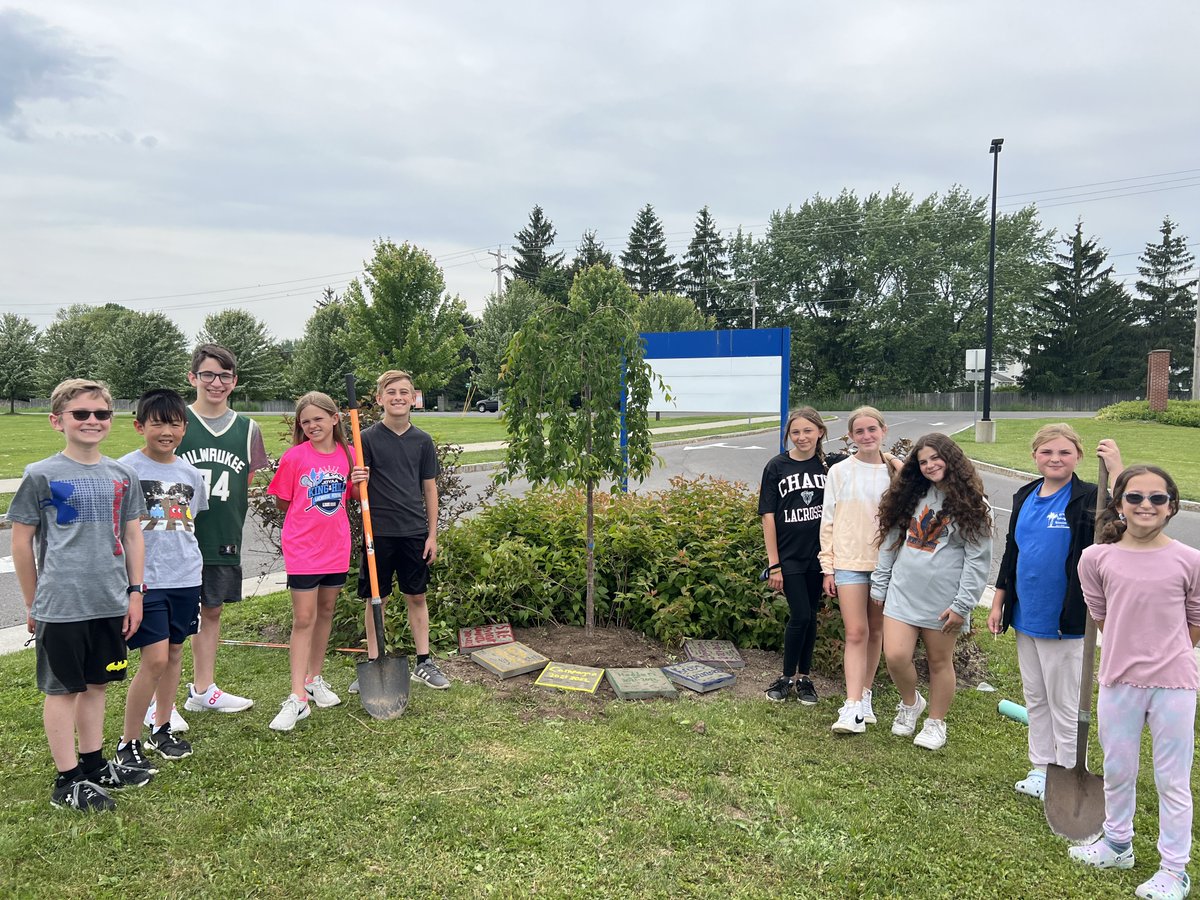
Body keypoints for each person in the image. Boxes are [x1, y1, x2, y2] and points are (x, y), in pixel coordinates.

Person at [9, 378, 152, 811]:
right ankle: (67, 781)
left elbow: (133, 536)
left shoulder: (122, 475)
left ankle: (93, 765)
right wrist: (33, 603)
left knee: (97, 684)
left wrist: (134, 593)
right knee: (63, 690)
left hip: (109, 599)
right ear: (58, 421)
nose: (93, 420)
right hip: (62, 604)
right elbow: (21, 543)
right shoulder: (41, 474)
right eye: (81, 414)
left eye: (101, 413)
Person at [1068, 465, 1200, 900]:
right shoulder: (1096, 558)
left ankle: (1174, 869)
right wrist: (1131, 650)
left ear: (1172, 506)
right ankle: (1117, 843)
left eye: (1157, 498)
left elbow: (1195, 620)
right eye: (1136, 497)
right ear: (1120, 504)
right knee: (1118, 768)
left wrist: (1165, 652)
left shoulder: (1190, 560)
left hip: (1173, 685)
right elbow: (1101, 613)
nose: (1146, 505)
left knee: (1172, 780)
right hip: (1119, 680)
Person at [987, 425, 1123, 799]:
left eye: (1064, 452)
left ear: (1078, 456)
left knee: (1065, 704)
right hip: (1026, 615)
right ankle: (1041, 768)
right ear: (1035, 456)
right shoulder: (1025, 494)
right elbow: (1012, 552)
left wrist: (1116, 470)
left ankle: (1067, 773)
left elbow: (1125, 520)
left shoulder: (1089, 497)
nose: (1055, 459)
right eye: (1047, 452)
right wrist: (999, 601)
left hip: (1066, 621)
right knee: (1035, 697)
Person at [872, 433, 992, 751]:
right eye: (923, 461)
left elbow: (978, 560)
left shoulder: (973, 505)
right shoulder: (910, 495)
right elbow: (890, 541)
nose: (929, 465)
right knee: (895, 656)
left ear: (952, 459)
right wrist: (880, 581)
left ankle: (936, 722)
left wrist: (962, 605)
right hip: (902, 592)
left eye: (936, 458)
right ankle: (911, 703)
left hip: (944, 600)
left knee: (940, 662)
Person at [173, 344, 269, 720]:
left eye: (224, 375)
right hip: (176, 538)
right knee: (171, 618)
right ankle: (158, 703)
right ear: (192, 377)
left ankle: (202, 689)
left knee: (211, 611)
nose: (216, 382)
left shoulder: (248, 429)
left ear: (234, 381)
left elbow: (247, 480)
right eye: (208, 374)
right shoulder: (176, 420)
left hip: (222, 536)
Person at [117, 389, 208, 764]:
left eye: (174, 424)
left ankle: (162, 728)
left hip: (185, 577)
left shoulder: (189, 473)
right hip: (146, 581)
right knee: (153, 659)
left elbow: (190, 520)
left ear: (184, 428)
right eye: (157, 423)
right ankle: (128, 742)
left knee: (173, 654)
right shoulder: (125, 470)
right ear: (140, 426)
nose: (166, 431)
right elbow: (118, 530)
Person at [266, 392, 367, 731]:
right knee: (304, 618)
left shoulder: (349, 454)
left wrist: (359, 482)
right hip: (303, 548)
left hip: (335, 546)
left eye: (318, 419)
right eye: (305, 421)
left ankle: (314, 679)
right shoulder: (295, 457)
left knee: (325, 612)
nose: (312, 426)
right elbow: (283, 500)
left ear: (335, 419)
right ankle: (297, 696)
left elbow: (353, 497)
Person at [349, 370, 448, 691]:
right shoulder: (366, 439)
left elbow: (429, 489)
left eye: (404, 392)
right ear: (380, 399)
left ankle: (424, 662)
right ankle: (374, 661)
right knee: (376, 598)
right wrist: (357, 480)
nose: (398, 397)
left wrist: (432, 535)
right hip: (377, 532)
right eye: (391, 392)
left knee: (416, 595)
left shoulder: (422, 441)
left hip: (414, 531)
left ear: (413, 399)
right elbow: (357, 489)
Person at [819, 406, 902, 733]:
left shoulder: (896, 472)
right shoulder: (839, 472)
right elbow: (828, 520)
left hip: (886, 564)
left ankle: (865, 695)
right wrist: (828, 567)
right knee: (856, 632)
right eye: (859, 431)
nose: (866, 436)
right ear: (851, 436)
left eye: (872, 429)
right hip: (849, 563)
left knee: (875, 631)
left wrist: (895, 462)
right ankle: (852, 706)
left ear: (884, 430)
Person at [758, 407, 848, 705]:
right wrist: (774, 564)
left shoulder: (831, 465)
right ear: (788, 435)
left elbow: (869, 458)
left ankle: (804, 679)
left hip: (820, 557)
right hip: (790, 557)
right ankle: (785, 678)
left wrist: (894, 460)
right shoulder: (777, 466)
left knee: (810, 616)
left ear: (820, 432)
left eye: (808, 430)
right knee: (800, 615)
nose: (801, 437)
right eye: (795, 432)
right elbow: (768, 516)